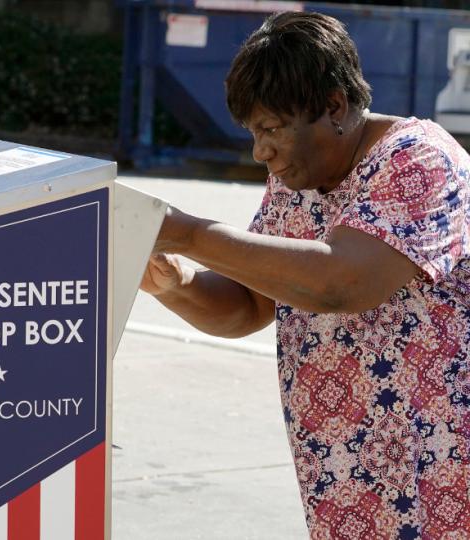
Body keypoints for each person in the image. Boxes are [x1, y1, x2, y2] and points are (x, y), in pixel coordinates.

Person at [141, 11, 470, 539]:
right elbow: (251, 305)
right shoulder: (297, 182)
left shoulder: (419, 160)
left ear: (334, 106)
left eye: (271, 128)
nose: (260, 151)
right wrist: (177, 285)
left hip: (434, 470)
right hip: (342, 476)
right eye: (253, 132)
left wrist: (190, 233)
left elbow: (342, 282)